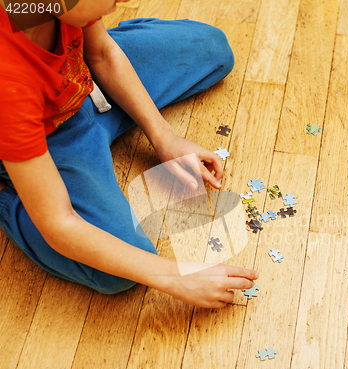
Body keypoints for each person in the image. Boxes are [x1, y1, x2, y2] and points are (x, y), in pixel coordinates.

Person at [0, 0, 258, 307]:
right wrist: (175, 276)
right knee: (119, 272)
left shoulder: (39, 6)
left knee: (213, 50)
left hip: (84, 84)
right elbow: (58, 222)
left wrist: (165, 137)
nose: (122, 1)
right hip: (49, 141)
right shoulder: (8, 84)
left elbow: (103, 54)